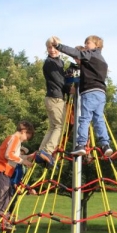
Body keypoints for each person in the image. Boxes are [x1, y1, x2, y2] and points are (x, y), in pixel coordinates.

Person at [51, 35, 113, 157]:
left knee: (84, 118)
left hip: (89, 92)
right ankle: (105, 145)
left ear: (96, 45)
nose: (85, 46)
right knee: (98, 119)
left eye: (87, 43)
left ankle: (81, 144)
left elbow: (75, 52)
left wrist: (58, 46)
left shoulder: (90, 54)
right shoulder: (102, 60)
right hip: (101, 93)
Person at [0, 120, 35, 232]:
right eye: (28, 136)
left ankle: (4, 219)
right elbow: (8, 155)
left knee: (8, 195)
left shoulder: (15, 140)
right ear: (24, 131)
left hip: (5, 172)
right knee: (3, 195)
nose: (27, 139)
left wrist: (28, 157)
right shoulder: (14, 138)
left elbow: (15, 156)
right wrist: (23, 162)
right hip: (1, 170)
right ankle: (1, 220)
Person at [37, 36, 68, 166]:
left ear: (59, 48)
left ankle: (41, 152)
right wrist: (69, 87)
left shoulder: (59, 62)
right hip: (55, 98)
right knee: (59, 126)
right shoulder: (50, 63)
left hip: (52, 97)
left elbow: (62, 77)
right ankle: (48, 151)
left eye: (55, 47)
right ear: (47, 49)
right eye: (49, 47)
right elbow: (59, 81)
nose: (52, 50)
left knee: (52, 127)